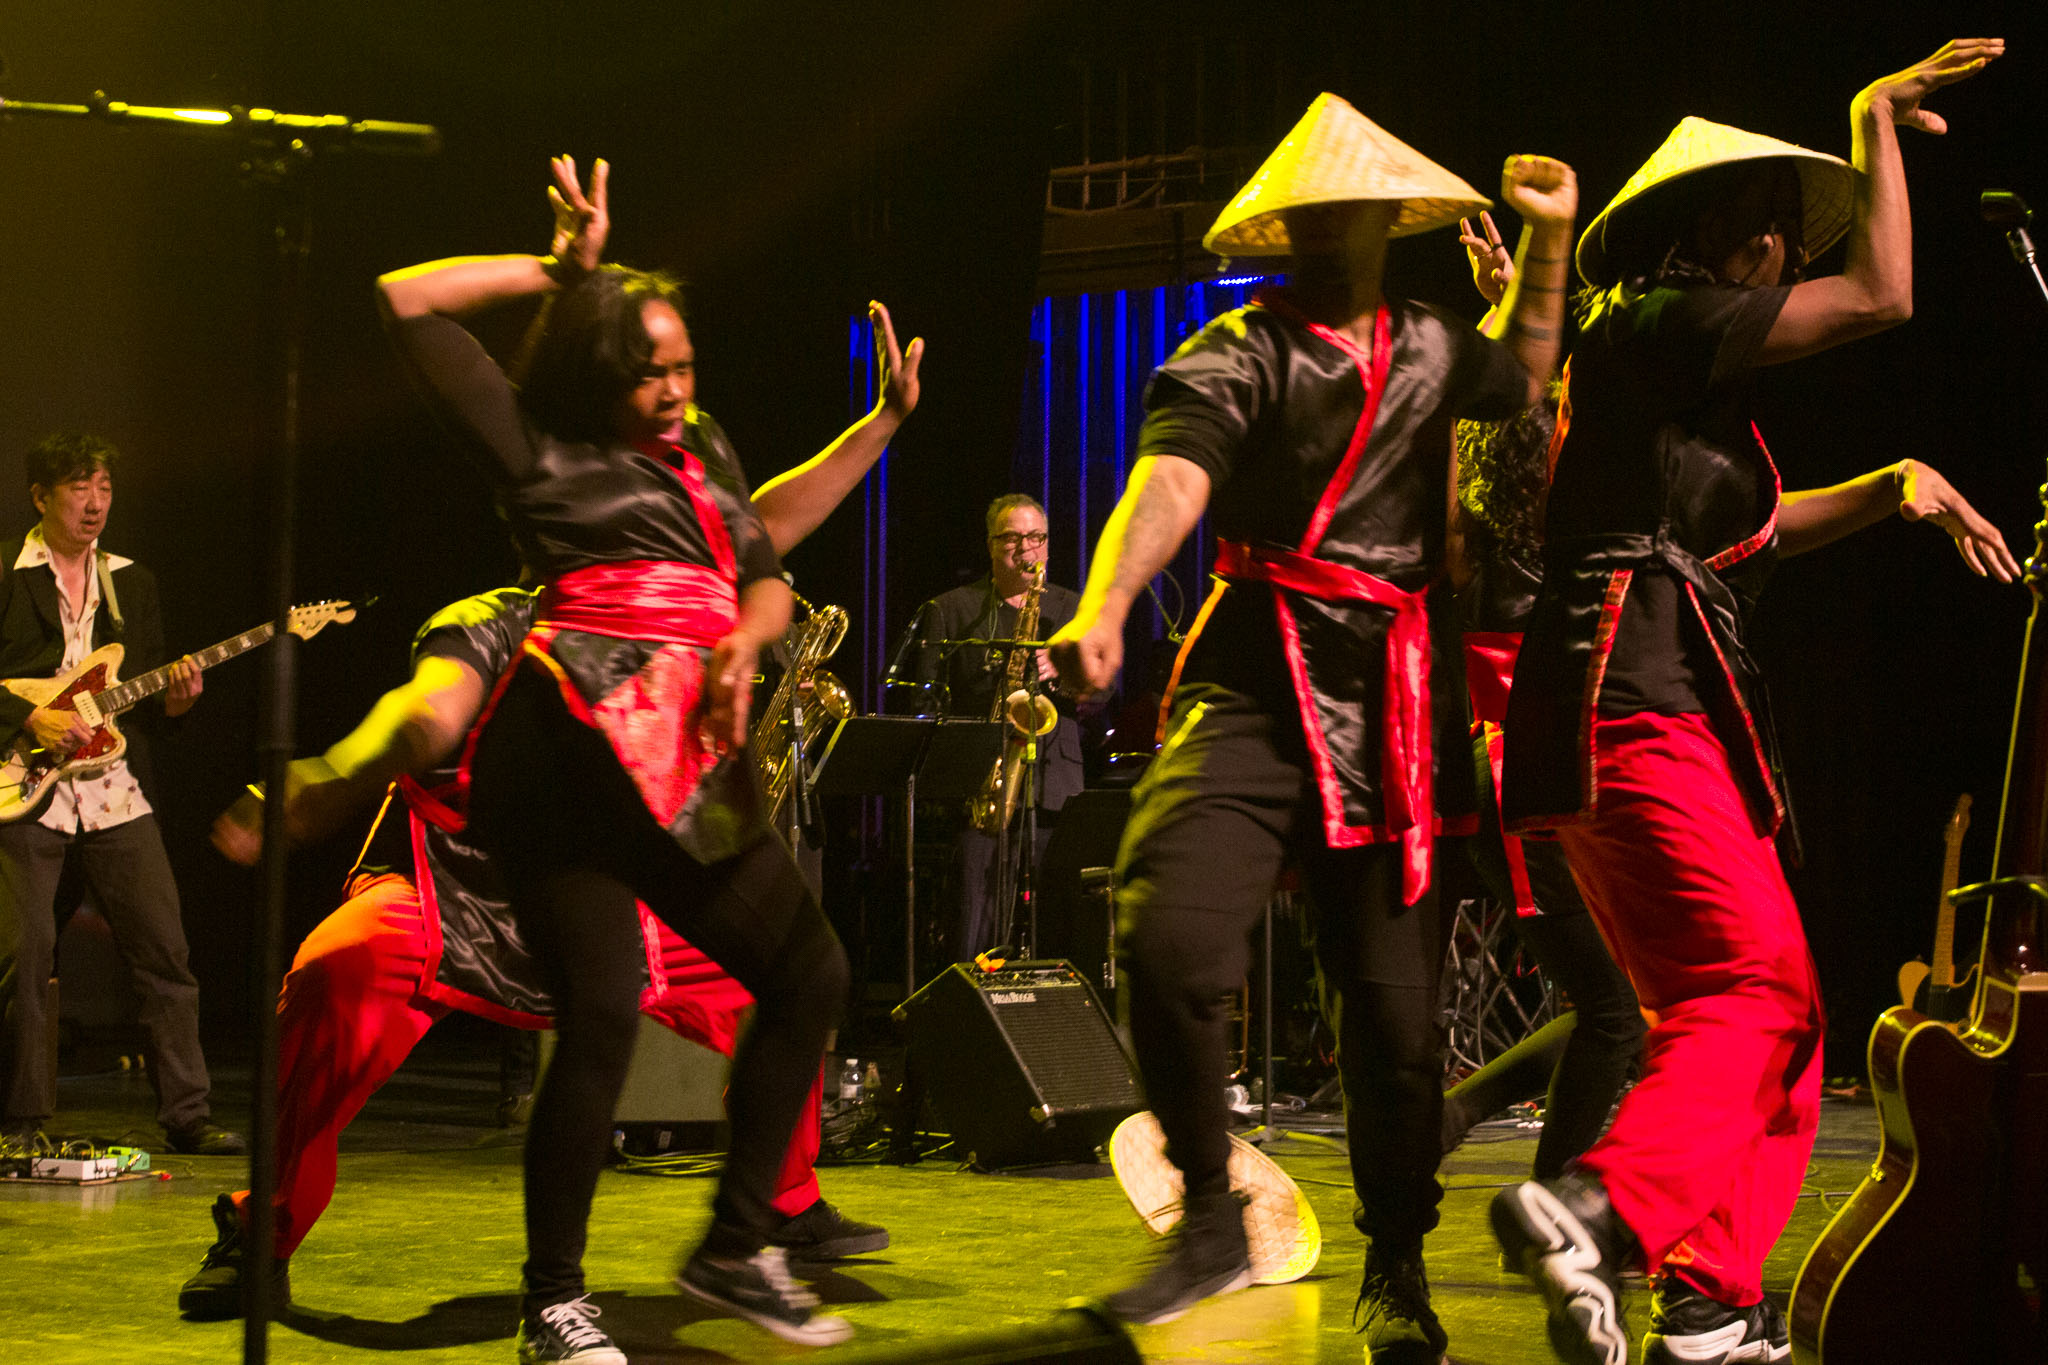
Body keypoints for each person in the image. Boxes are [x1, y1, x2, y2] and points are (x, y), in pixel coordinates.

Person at [1491, 40, 2012, 1365]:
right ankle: (1596, 1212)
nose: (1788, 254)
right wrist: (1871, 119)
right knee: (1751, 995)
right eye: (1777, 229)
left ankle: (1711, 1305)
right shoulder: (1659, 319)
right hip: (1633, 692)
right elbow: (1885, 296)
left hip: (1642, 693)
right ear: (1731, 235)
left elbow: (1745, 536)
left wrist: (1893, 484)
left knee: (1774, 1016)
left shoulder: (1667, 386)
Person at [1050, 93, 1577, 1363]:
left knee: (1396, 1036)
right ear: (1289, 226)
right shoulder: (1236, 353)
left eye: (1358, 211)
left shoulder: (1432, 345)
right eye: (1319, 213)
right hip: (1257, 677)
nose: (1337, 230)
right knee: (1166, 930)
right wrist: (1106, 600)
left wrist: (1549, 240)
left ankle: (1395, 1262)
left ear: (1387, 222)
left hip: (1395, 703)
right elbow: (1170, 477)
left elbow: (1523, 374)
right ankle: (1207, 1220)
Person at [376, 156, 916, 1360]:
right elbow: (404, 299)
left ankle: (733, 1245)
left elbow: (762, 571)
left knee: (809, 973)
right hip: (563, 756)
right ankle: (553, 1302)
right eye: (648, 370)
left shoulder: (704, 447)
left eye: (683, 366)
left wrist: (745, 646)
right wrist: (554, 272)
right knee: (602, 1017)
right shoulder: (535, 447)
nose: (673, 390)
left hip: (679, 756)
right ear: (595, 372)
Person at [180, 586, 901, 1312]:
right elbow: (427, 708)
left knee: (782, 970)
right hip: (459, 886)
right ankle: (266, 1230)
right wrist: (339, 770)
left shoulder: (662, 634)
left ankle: (781, 1197)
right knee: (338, 969)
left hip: (617, 894)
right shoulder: (490, 623)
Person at [1439, 216, 1646, 1178]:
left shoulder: (1492, 509)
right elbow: (1516, 417)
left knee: (1621, 1006)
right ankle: (1552, 1203)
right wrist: (1515, 307)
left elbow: (1503, 413)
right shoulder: (1533, 520)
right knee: (1615, 1010)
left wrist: (1505, 304)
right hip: (1518, 764)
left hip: (1516, 760)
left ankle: (1456, 1116)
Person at [0, 433, 241, 1156]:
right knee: (25, 952)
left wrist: (177, 703)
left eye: (104, 487)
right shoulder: (7, 574)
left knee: (164, 949)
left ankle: (188, 1114)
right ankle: (18, 1122)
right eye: (79, 487)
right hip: (24, 785)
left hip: (112, 790)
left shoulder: (131, 583)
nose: (95, 502)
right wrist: (29, 718)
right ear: (41, 497)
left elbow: (145, 710)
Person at [902, 494, 1090, 959]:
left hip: (1054, 788)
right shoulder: (951, 609)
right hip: (982, 787)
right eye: (1012, 538)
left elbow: (1103, 694)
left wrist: (1063, 674)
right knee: (974, 924)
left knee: (1055, 924)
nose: (1026, 549)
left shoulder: (1074, 609)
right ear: (990, 545)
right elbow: (924, 699)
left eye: (1036, 537)